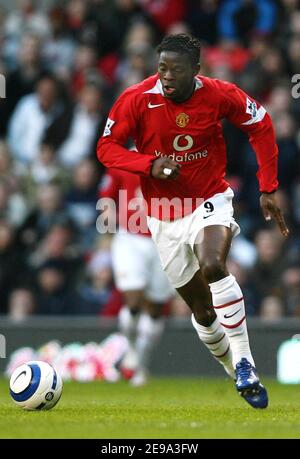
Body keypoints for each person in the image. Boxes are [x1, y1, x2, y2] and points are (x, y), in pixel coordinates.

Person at [97, 33, 289, 408]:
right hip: (163, 216)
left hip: (209, 199)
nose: (166, 76)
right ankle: (236, 370)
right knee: (201, 311)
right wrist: (150, 164)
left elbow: (261, 123)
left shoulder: (218, 94)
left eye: (176, 70)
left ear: (196, 72)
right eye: (162, 68)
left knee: (214, 264)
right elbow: (106, 148)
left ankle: (247, 361)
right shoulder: (136, 99)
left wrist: (268, 186)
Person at [99, 168, 174, 386]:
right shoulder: (123, 162)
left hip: (165, 239)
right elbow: (107, 196)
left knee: (155, 309)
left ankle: (141, 360)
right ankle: (132, 350)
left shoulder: (174, 161)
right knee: (133, 301)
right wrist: (108, 223)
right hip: (130, 238)